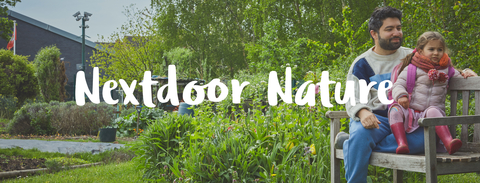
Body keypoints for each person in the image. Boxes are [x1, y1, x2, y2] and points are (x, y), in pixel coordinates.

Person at [337, 6, 477, 183]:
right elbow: (352, 97)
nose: (397, 33)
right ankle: (357, 148)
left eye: (399, 28)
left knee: (426, 140)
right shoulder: (362, 64)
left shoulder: (413, 56)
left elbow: (439, 67)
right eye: (389, 29)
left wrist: (462, 72)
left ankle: (351, 144)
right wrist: (362, 112)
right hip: (376, 120)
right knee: (360, 136)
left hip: (407, 120)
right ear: (374, 34)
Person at [389, 31, 474, 155]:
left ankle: (449, 142)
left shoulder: (447, 70)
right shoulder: (412, 68)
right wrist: (402, 95)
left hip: (433, 113)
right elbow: (398, 84)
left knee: (432, 110)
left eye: (440, 49)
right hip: (411, 111)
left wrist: (467, 73)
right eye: (431, 49)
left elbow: (460, 78)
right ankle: (402, 143)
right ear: (421, 50)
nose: (436, 52)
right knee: (394, 110)